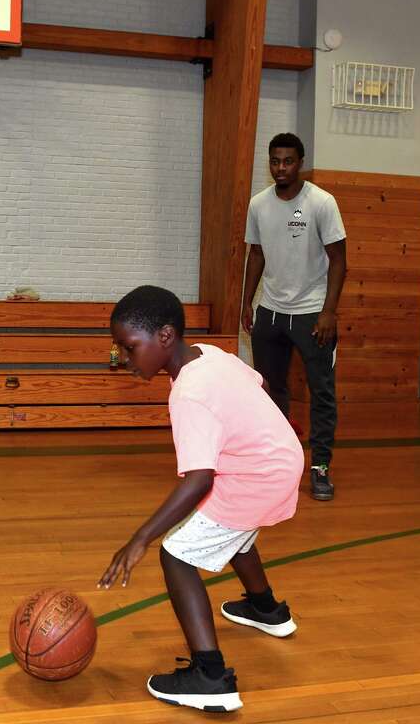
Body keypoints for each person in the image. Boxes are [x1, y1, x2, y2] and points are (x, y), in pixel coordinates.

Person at [99, 285, 302, 713]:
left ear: (166, 337)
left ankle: (210, 676)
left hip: (258, 475)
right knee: (232, 532)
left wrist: (140, 538)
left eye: (130, 347)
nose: (122, 358)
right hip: (280, 457)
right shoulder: (209, 353)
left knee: (177, 554)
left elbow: (198, 480)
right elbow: (256, 382)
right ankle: (267, 610)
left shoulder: (188, 395)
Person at [241, 132, 347, 501]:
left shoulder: (321, 202)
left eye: (287, 161)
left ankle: (320, 469)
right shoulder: (258, 204)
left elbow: (339, 260)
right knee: (271, 393)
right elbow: (256, 255)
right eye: (274, 161)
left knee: (321, 392)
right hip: (270, 311)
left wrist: (328, 312)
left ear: (300, 162)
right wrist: (246, 302)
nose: (280, 168)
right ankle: (278, 463)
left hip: (312, 314)